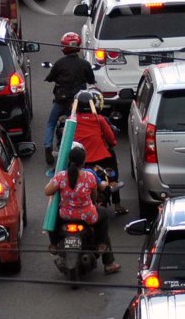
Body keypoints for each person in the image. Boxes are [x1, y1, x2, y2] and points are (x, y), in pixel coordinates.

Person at [43, 143, 120, 274]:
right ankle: (104, 252)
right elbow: (94, 196)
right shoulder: (89, 177)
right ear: (83, 161)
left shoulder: (61, 176)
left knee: (52, 213)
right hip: (87, 217)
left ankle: (54, 244)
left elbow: (47, 191)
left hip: (65, 216)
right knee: (105, 215)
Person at [66, 90, 126, 215]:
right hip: (101, 157)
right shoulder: (99, 119)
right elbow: (110, 137)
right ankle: (117, 204)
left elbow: (65, 140)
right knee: (112, 171)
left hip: (79, 157)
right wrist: (112, 144)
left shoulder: (71, 120)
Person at [43, 32, 95, 166]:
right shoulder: (84, 64)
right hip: (78, 103)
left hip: (61, 99)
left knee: (51, 123)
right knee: (86, 121)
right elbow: (91, 80)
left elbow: (50, 77)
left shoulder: (59, 63)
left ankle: (48, 146)